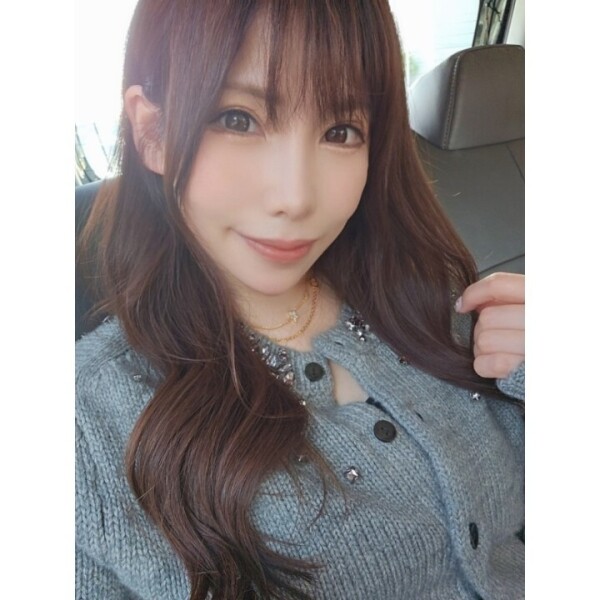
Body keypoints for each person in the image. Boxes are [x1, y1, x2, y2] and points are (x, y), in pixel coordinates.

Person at [75, 1, 525, 599]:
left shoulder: (434, 297)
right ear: (152, 132)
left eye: (340, 132)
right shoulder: (86, 425)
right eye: (238, 119)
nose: (296, 197)